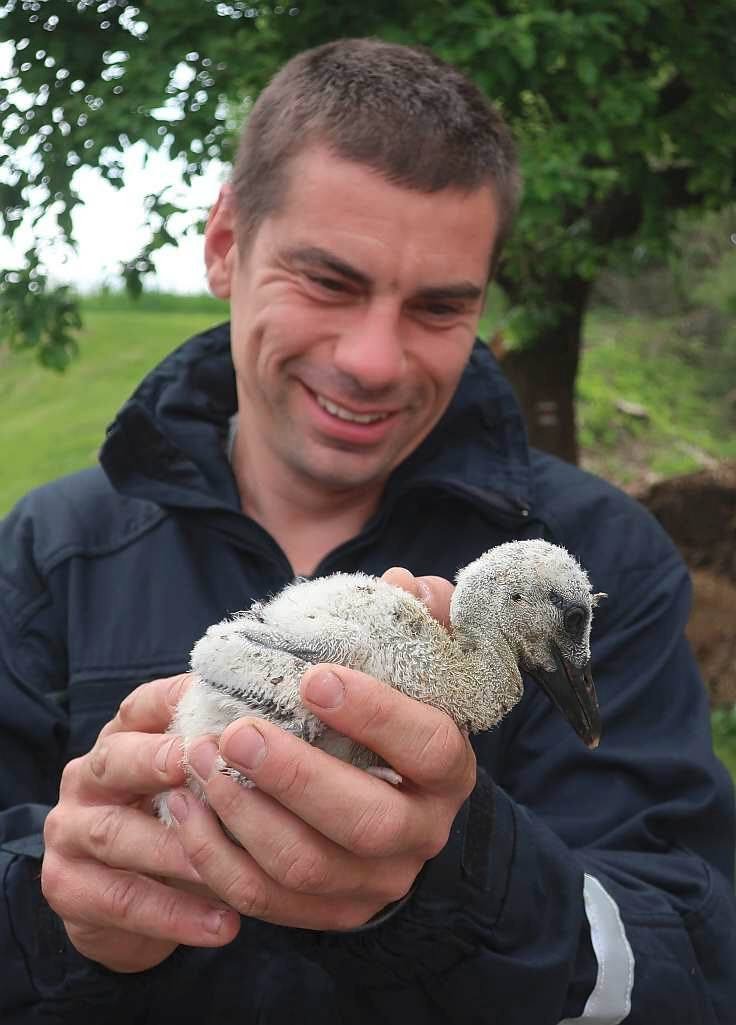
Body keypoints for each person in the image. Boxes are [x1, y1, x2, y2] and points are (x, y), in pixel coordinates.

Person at [1, 37, 734, 1025]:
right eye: (328, 280)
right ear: (225, 244)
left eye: (439, 305)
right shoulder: (49, 551)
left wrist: (458, 872)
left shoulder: (603, 558)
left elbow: (692, 959)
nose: (376, 359)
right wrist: (59, 914)